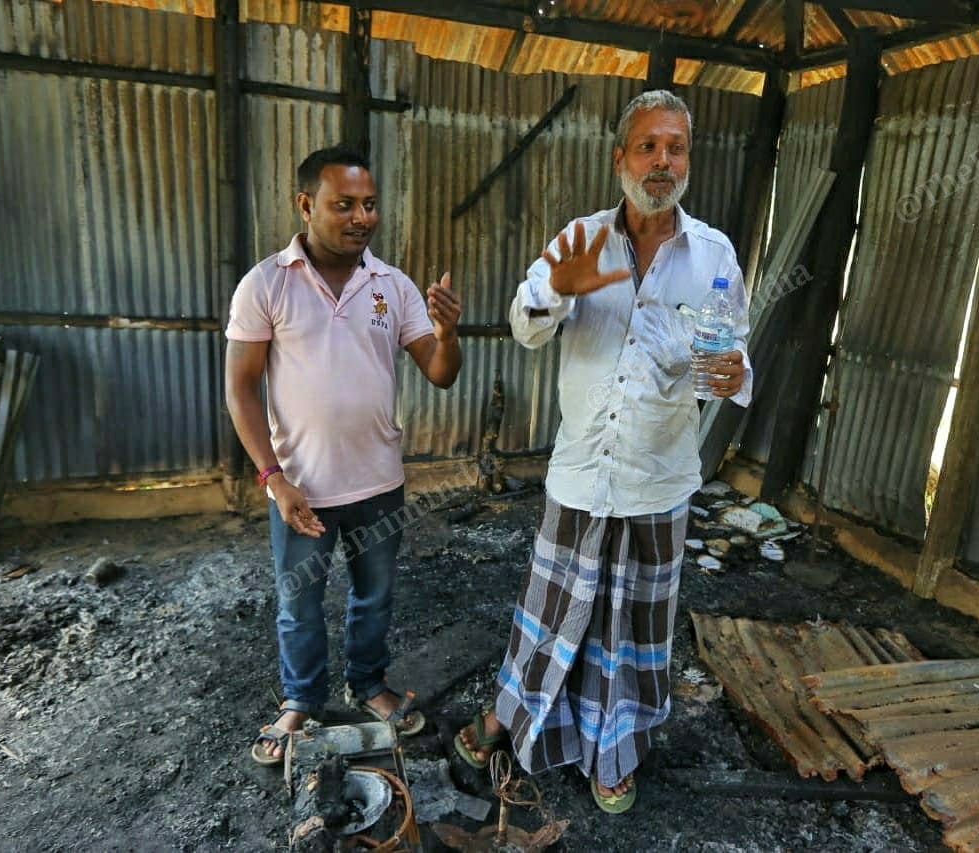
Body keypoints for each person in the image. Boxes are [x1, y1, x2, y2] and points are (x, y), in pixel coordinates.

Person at [453, 90, 752, 813]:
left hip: (658, 477)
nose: (661, 161)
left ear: (687, 159)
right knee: (550, 609)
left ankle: (613, 750)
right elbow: (524, 327)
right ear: (620, 158)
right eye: (647, 146)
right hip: (582, 471)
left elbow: (733, 353)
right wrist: (557, 287)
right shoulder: (580, 238)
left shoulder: (712, 255)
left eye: (674, 147)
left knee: (633, 624)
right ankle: (506, 716)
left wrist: (736, 373)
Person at [226, 145, 462, 766]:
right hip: (301, 488)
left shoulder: (392, 286)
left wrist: (448, 335)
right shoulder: (267, 283)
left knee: (373, 595)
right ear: (306, 205)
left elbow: (439, 374)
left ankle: (369, 684)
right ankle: (301, 700)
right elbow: (240, 388)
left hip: (379, 483)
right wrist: (274, 480)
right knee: (299, 600)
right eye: (344, 205)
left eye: (369, 204)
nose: (361, 217)